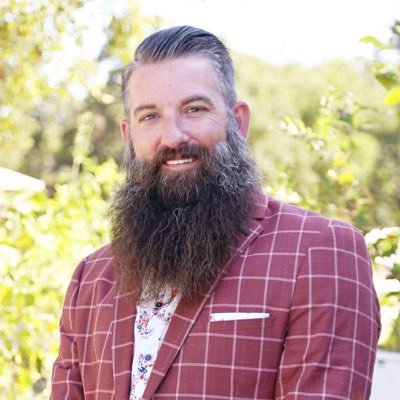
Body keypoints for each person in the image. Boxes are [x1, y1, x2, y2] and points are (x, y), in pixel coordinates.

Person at [51, 25, 381, 399]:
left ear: (238, 121)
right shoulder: (92, 278)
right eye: (150, 116)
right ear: (128, 135)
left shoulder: (321, 251)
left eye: (194, 109)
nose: (173, 136)